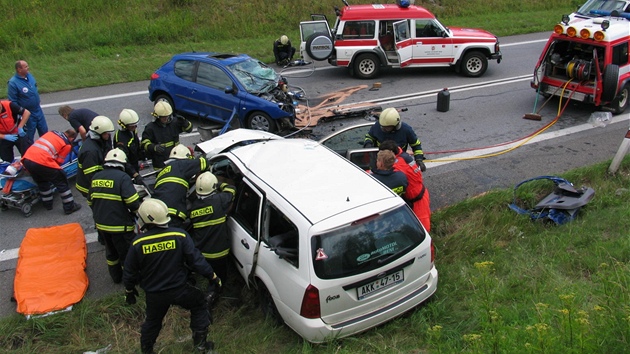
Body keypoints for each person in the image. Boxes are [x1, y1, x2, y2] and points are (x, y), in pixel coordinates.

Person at [123, 198, 221, 354]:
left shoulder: (138, 243)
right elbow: (196, 261)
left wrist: (129, 291)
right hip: (180, 290)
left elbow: (129, 272)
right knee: (200, 304)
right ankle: (201, 346)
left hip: (155, 294)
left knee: (152, 322)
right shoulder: (179, 235)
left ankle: (147, 351)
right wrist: (213, 277)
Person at [88, 148, 141, 283]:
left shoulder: (96, 177)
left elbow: (90, 201)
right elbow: (133, 203)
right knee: (127, 254)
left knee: (111, 253)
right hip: (120, 226)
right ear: (121, 164)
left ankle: (116, 278)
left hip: (101, 225)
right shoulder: (123, 178)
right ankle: (131, 280)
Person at [189, 172, 236, 285]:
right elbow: (232, 189)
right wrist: (219, 184)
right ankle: (219, 289)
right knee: (221, 276)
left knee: (210, 274)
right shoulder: (220, 200)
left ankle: (211, 283)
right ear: (213, 187)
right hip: (220, 253)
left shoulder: (193, 207)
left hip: (203, 253)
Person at [21, 129, 82, 214]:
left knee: (42, 181)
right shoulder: (66, 143)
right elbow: (59, 161)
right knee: (62, 182)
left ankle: (47, 204)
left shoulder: (52, 133)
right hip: (42, 161)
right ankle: (69, 207)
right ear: (72, 139)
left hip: (27, 159)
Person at [379, 140, 431, 231]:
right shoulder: (402, 154)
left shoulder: (398, 165)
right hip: (419, 193)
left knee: (423, 229)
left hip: (418, 201)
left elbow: (386, 176)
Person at [152, 144, 209, 228]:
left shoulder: (164, 170)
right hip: (172, 212)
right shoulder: (182, 164)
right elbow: (204, 162)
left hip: (156, 211)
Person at [364, 107, 427, 172]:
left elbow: (416, 145)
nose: (384, 129)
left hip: (398, 162)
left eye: (387, 127)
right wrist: (368, 144)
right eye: (383, 127)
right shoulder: (378, 126)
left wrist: (419, 159)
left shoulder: (406, 130)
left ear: (396, 126)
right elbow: (369, 136)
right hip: (380, 160)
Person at [141, 101, 192, 170]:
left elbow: (189, 129)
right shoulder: (151, 127)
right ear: (157, 117)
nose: (166, 118)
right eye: (163, 117)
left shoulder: (174, 122)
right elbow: (144, 143)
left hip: (175, 157)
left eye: (167, 116)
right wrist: (154, 147)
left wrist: (185, 122)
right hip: (160, 162)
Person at [7, 60, 48, 142]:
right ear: (19, 69)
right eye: (25, 66)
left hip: (38, 110)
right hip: (27, 113)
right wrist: (21, 114)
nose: (28, 68)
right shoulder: (13, 83)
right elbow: (13, 102)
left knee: (44, 132)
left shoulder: (30, 76)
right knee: (29, 136)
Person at [76, 115, 114, 197]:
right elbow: (92, 176)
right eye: (106, 133)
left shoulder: (101, 141)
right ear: (99, 133)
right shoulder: (90, 151)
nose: (108, 135)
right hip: (88, 187)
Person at [114, 108, 144, 173]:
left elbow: (136, 145)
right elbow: (124, 160)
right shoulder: (120, 139)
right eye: (132, 126)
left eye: (135, 125)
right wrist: (134, 174)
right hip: (127, 169)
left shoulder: (132, 131)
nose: (135, 127)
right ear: (124, 126)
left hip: (134, 163)